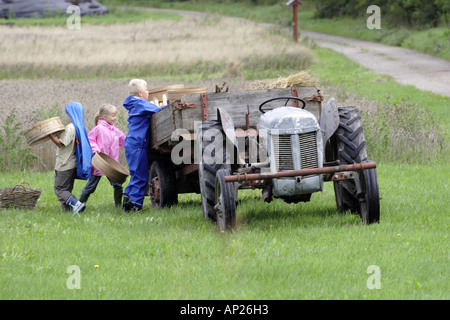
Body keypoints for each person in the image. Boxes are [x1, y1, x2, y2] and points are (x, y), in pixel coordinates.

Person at [122, 79, 169, 212]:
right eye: (147, 89)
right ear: (141, 92)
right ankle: (135, 206)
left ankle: (127, 202)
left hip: (132, 142)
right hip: (137, 144)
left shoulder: (134, 103)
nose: (148, 92)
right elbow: (160, 110)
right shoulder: (141, 104)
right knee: (140, 176)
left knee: (135, 174)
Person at [79, 103, 126, 207]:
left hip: (112, 165)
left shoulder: (115, 130)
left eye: (115, 115)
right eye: (113, 116)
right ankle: (79, 205)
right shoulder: (98, 129)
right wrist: (96, 150)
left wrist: (134, 143)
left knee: (118, 185)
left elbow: (124, 140)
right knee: (91, 187)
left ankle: (118, 206)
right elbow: (90, 140)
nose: (115, 118)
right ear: (104, 117)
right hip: (99, 163)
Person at [49, 102, 92, 214]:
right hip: (73, 164)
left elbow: (61, 144)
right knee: (67, 190)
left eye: (67, 114)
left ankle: (77, 204)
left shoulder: (70, 127)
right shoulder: (79, 127)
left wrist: (50, 136)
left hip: (64, 164)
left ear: (71, 114)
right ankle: (67, 213)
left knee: (60, 190)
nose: (66, 116)